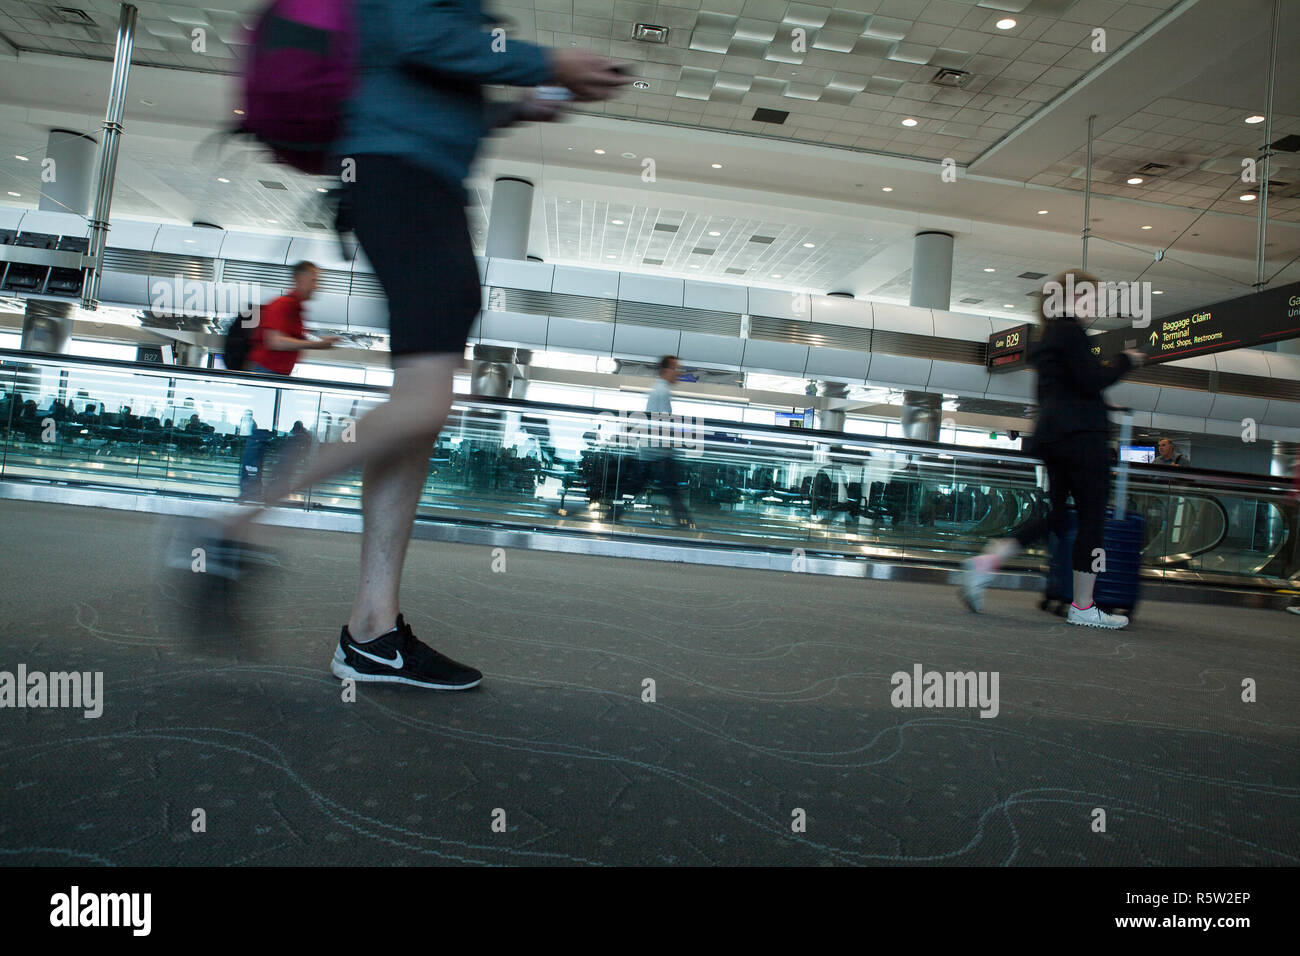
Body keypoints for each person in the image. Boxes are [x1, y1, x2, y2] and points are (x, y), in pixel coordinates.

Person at [172, 3, 632, 690]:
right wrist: (550, 62)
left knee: (418, 410)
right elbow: (419, 35)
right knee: (423, 402)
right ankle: (234, 524)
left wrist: (514, 108)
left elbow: (417, 75)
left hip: (411, 182)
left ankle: (371, 631)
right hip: (404, 184)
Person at [959, 270, 1146, 629]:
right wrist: (1126, 362)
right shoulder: (1071, 331)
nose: (1096, 306)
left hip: (1054, 437)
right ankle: (1083, 605)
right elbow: (1091, 380)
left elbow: (1062, 391)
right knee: (1093, 520)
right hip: (1082, 439)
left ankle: (986, 563)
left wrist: (1101, 406)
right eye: (1091, 298)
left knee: (1057, 516)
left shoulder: (1048, 336)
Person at [244, 261, 340, 375]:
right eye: (314, 281)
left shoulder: (296, 308)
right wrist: (318, 345)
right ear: (299, 279)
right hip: (265, 372)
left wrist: (320, 341)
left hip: (273, 372)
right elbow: (275, 341)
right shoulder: (284, 304)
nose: (317, 287)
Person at [642, 355, 692, 528]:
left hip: (654, 453)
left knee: (636, 486)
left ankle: (612, 515)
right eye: (676, 368)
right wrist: (676, 443)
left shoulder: (660, 390)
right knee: (672, 492)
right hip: (658, 454)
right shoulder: (662, 391)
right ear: (665, 370)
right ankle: (686, 525)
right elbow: (662, 424)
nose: (679, 373)